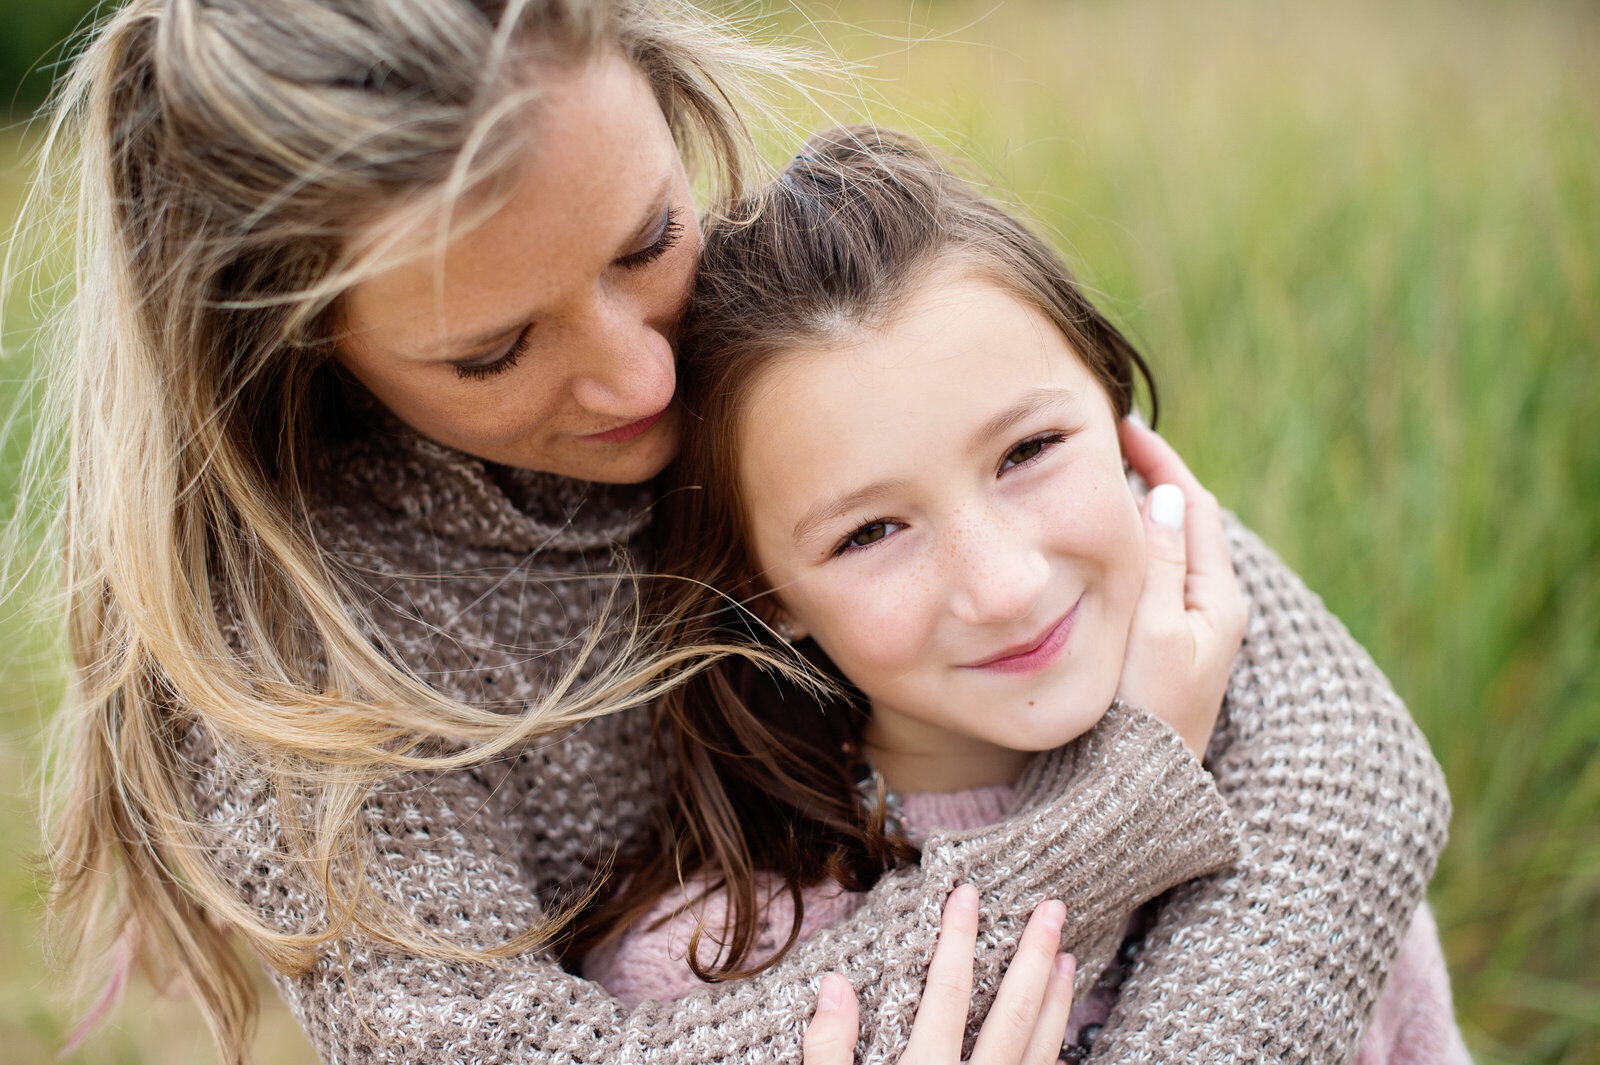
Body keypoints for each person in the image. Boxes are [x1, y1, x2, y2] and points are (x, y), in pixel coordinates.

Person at [21, 2, 1451, 1063]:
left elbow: (1343, 762)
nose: (646, 374)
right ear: (284, 344)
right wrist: (1103, 831)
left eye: (647, 239)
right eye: (495, 350)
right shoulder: (294, 659)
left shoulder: (786, 318)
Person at [576, 128, 1472, 1065]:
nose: (1005, 587)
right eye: (870, 532)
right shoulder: (708, 964)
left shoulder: (1291, 799)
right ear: (768, 595)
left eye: (1029, 451)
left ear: (1121, 424)